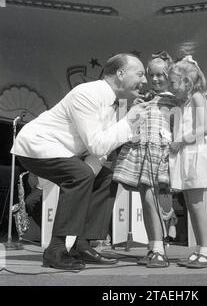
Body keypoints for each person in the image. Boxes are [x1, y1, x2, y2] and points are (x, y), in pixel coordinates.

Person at [10, 53, 149, 270]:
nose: (145, 81)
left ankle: (81, 244)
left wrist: (128, 128)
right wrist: (129, 121)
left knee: (106, 176)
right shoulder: (87, 93)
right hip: (36, 145)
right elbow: (97, 145)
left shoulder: (113, 103)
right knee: (80, 175)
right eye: (140, 74)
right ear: (120, 74)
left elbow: (101, 152)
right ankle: (56, 250)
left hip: (62, 150)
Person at [113, 51, 176, 268]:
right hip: (142, 151)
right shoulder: (144, 98)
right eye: (153, 75)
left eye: (161, 75)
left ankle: (159, 249)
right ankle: (153, 247)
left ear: (169, 75)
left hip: (160, 153)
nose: (156, 79)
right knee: (145, 199)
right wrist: (132, 105)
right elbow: (124, 119)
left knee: (153, 200)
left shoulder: (172, 100)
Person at [168, 55, 207, 269]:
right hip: (189, 153)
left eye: (173, 82)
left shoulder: (197, 98)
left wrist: (179, 141)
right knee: (192, 204)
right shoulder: (188, 100)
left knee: (197, 204)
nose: (170, 87)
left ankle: (206, 251)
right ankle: (201, 248)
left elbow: (205, 128)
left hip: (197, 154)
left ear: (186, 82)